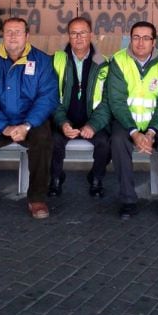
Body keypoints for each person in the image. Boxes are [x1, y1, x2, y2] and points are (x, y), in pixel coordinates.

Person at [0, 17, 59, 219]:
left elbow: (48, 97)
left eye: (18, 32)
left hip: (30, 121)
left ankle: (37, 198)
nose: (13, 36)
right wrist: (4, 127)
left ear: (27, 36)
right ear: (2, 36)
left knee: (43, 140)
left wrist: (27, 125)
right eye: (8, 32)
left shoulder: (42, 60)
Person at [107, 21, 158, 220]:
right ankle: (128, 201)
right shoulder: (118, 61)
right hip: (126, 122)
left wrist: (151, 132)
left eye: (146, 38)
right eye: (136, 37)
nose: (140, 43)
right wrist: (134, 132)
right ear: (130, 39)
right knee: (118, 141)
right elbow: (117, 101)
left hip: (157, 123)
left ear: (154, 42)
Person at [50, 17, 111, 198]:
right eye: (74, 33)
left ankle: (96, 178)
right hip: (63, 120)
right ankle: (55, 178)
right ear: (68, 36)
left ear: (90, 35)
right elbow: (50, 97)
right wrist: (63, 123)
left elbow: (108, 100)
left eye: (83, 32)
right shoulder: (56, 60)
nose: (78, 37)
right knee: (51, 141)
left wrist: (93, 125)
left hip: (93, 120)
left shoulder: (104, 62)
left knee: (105, 143)